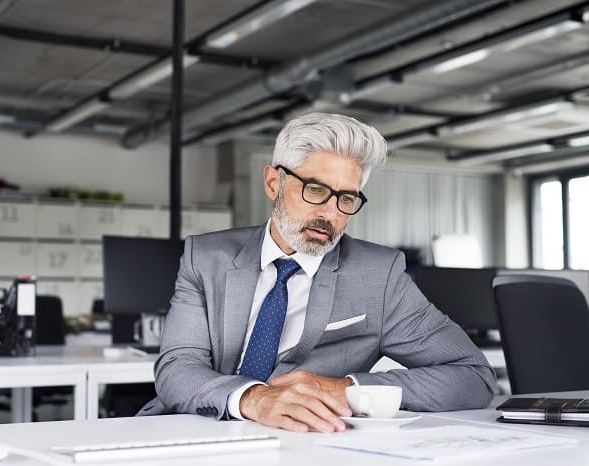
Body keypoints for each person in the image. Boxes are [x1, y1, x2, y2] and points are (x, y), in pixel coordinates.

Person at [138, 112, 496, 433]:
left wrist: (347, 390)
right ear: (273, 183)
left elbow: (473, 377)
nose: (331, 213)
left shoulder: (379, 275)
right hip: (196, 429)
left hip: (310, 444)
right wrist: (253, 399)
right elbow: (178, 368)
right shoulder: (206, 257)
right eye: (316, 190)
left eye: (346, 198)